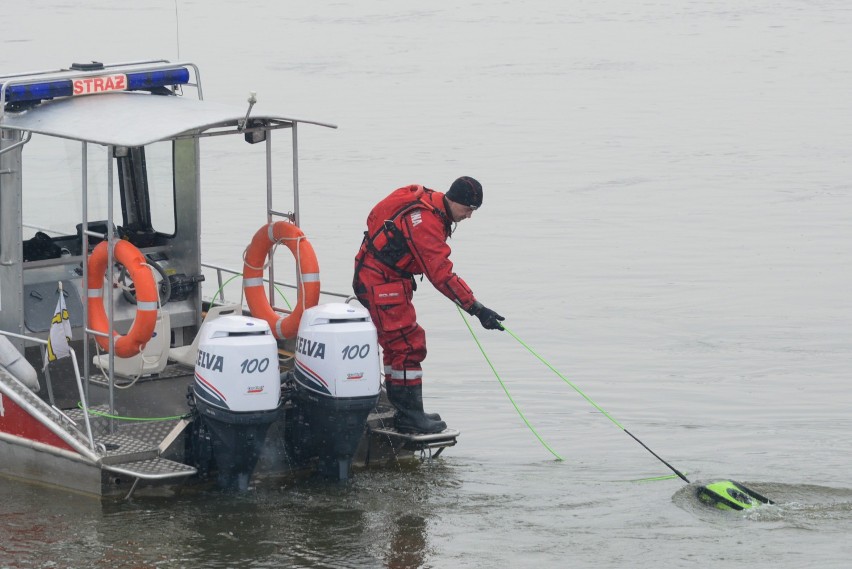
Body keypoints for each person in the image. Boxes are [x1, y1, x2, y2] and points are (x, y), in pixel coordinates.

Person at [353, 176, 505, 434]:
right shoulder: (425, 222)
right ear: (453, 200)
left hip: (386, 278)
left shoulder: (429, 203)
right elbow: (441, 275)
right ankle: (409, 416)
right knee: (408, 344)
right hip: (380, 281)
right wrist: (477, 309)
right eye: (468, 210)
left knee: (396, 345)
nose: (469, 217)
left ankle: (407, 410)